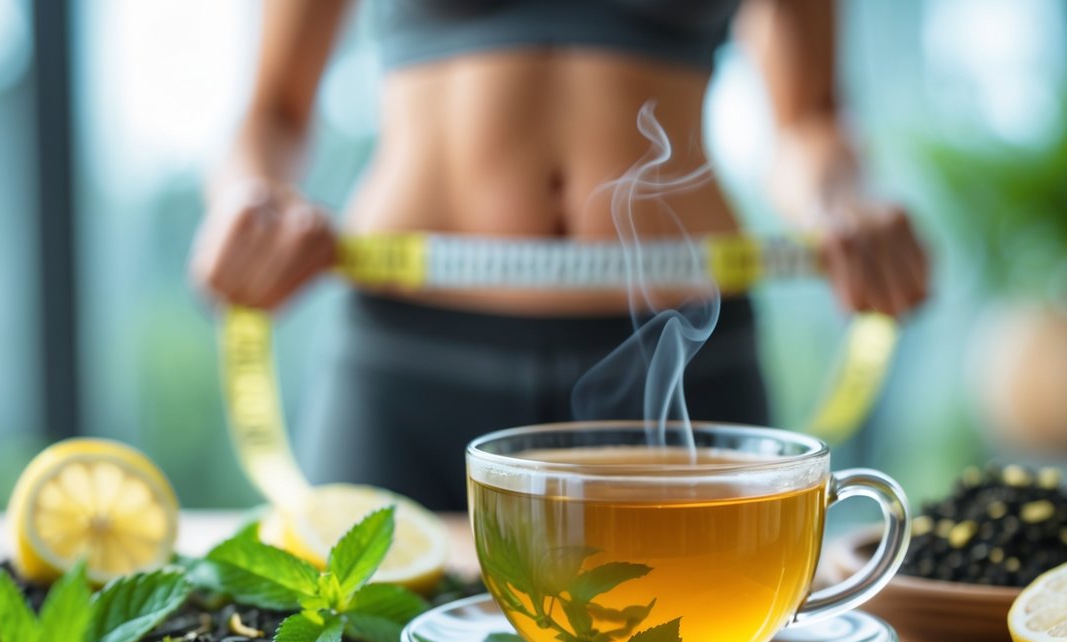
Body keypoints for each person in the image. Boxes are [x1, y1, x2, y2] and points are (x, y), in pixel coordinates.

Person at [190, 0, 930, 511]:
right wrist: (246, 198)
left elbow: (810, 117)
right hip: (404, 366)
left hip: (682, 356)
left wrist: (844, 200)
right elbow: (274, 112)